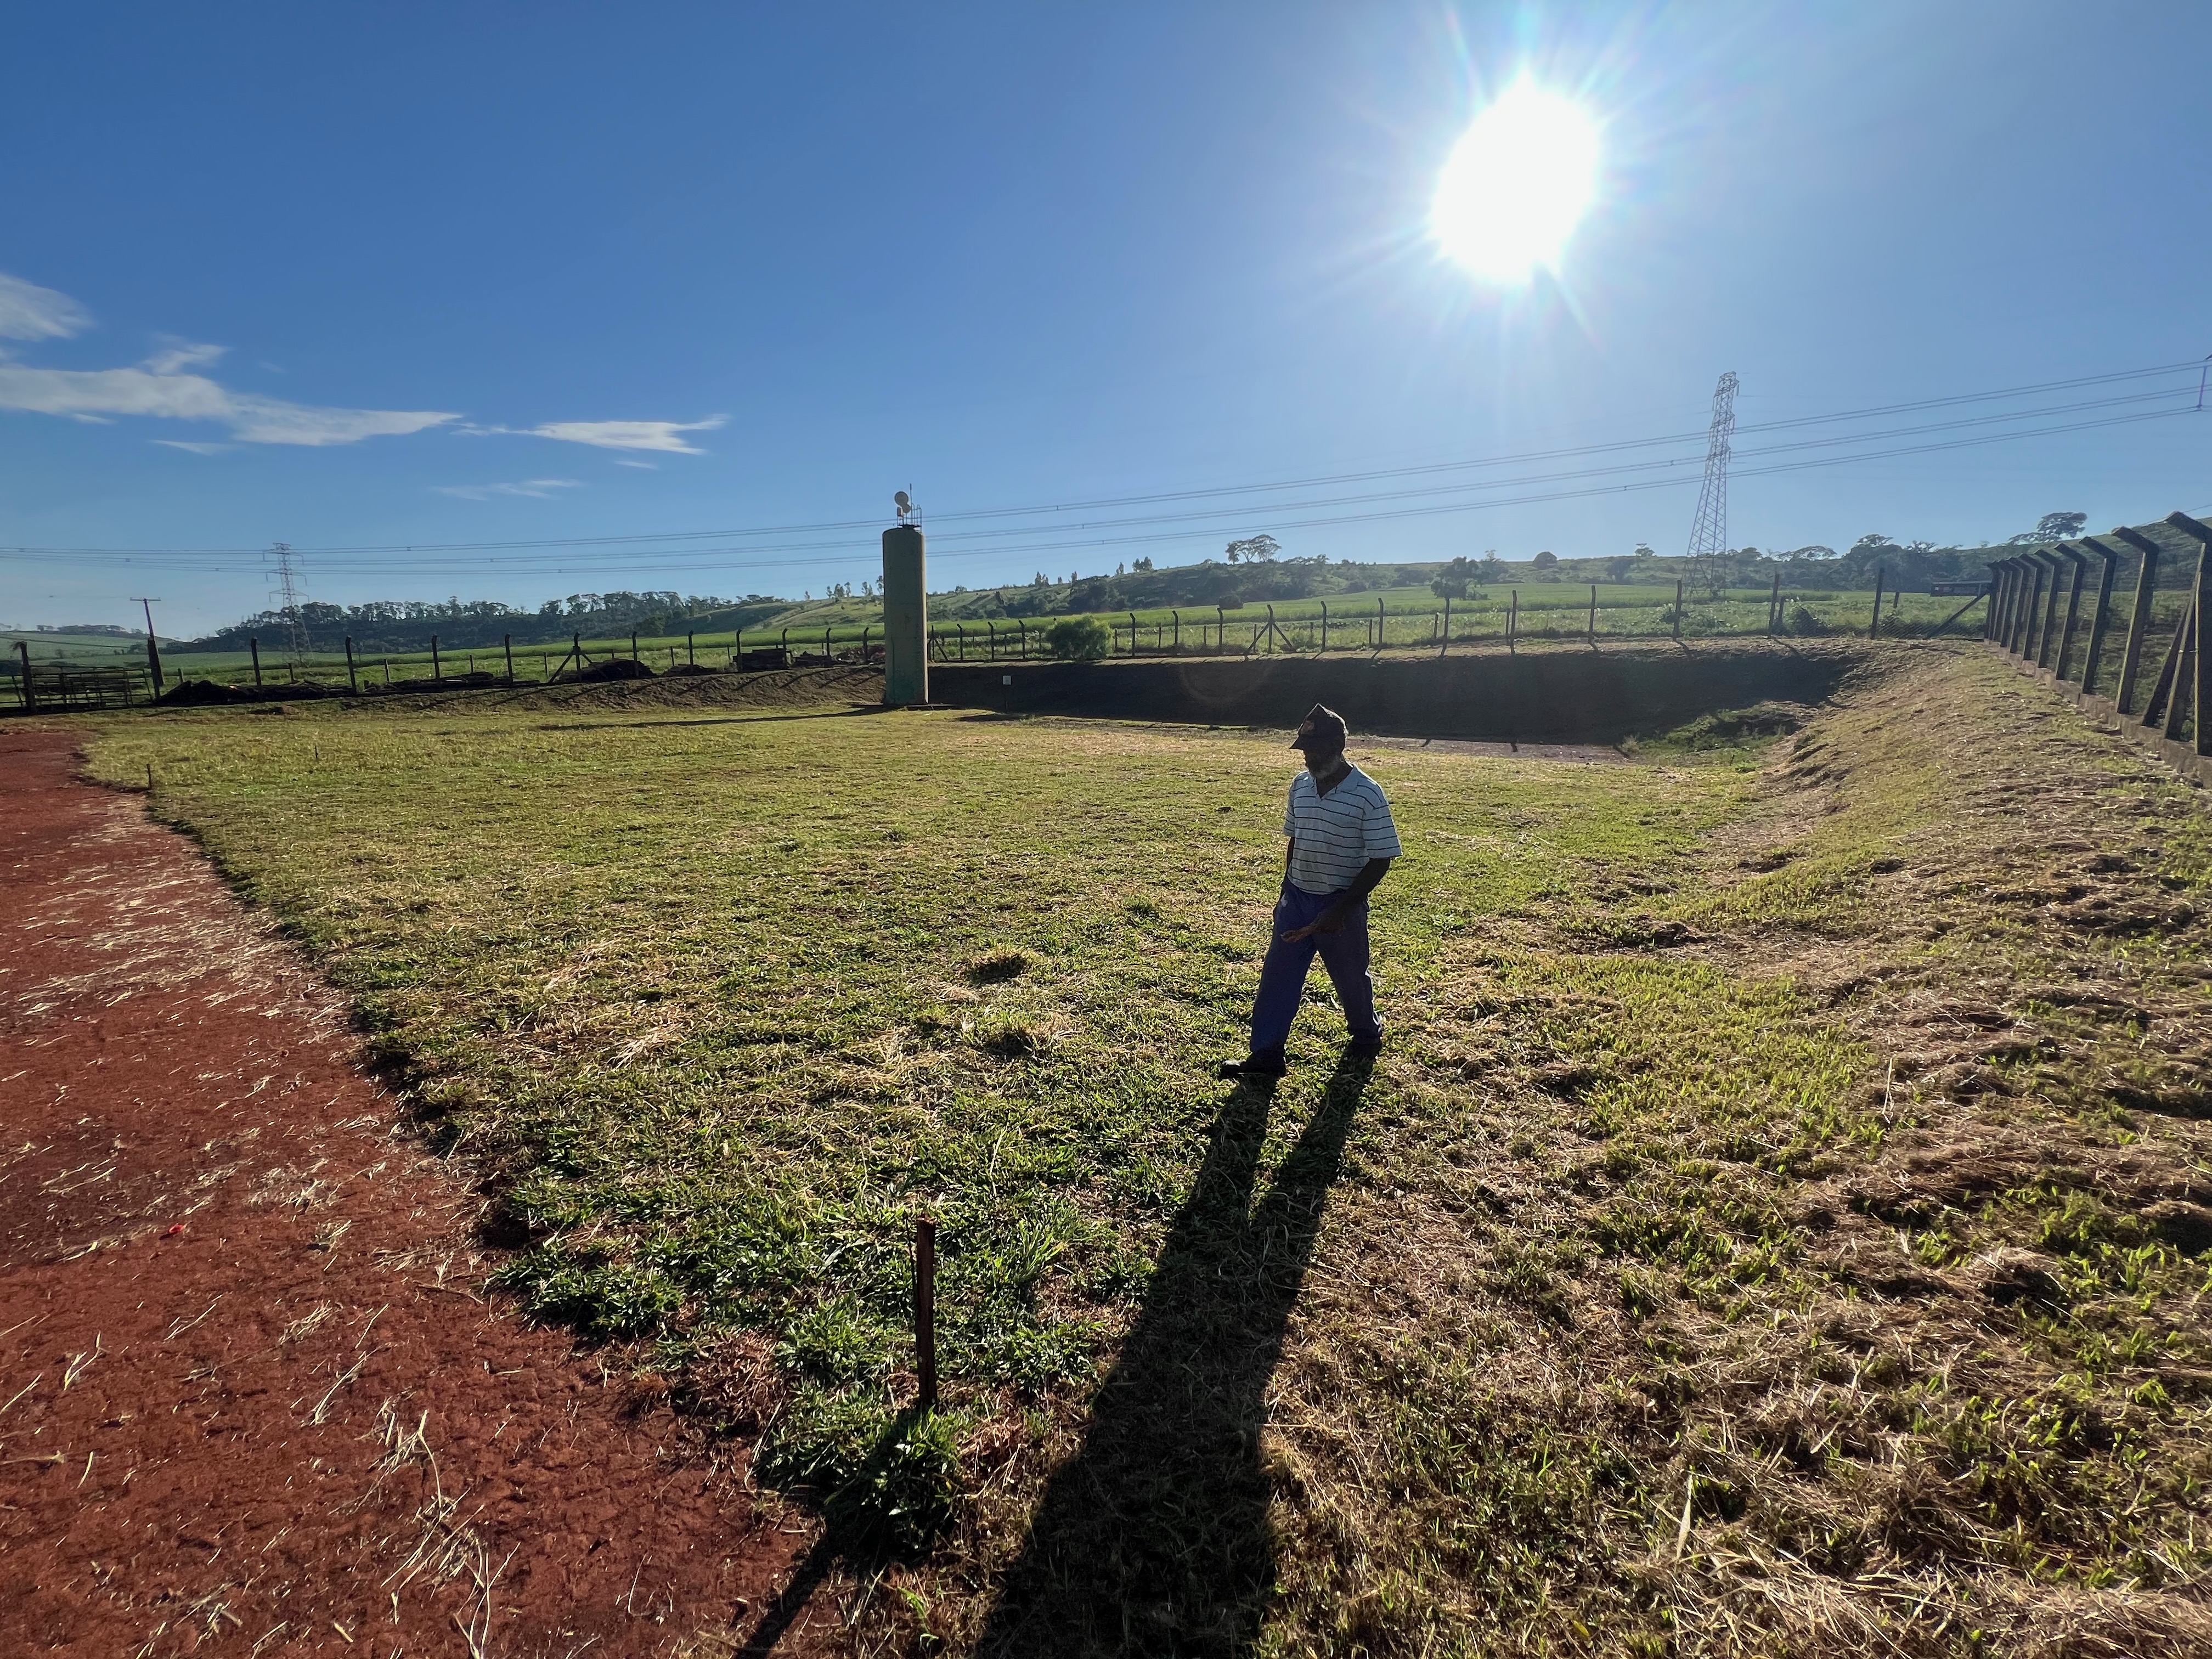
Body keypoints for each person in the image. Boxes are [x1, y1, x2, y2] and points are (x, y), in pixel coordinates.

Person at [1220, 704, 1400, 1081]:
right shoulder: (1300, 787)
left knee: (1351, 978)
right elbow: (1295, 839)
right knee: (1277, 978)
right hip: (1297, 899)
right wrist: (1287, 889)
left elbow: (1382, 858)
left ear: (1338, 744)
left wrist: (1341, 910)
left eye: (1313, 748)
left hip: (1342, 904)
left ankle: (1366, 1034)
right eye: (1303, 748)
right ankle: (1267, 1054)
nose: (1306, 756)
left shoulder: (1367, 794)